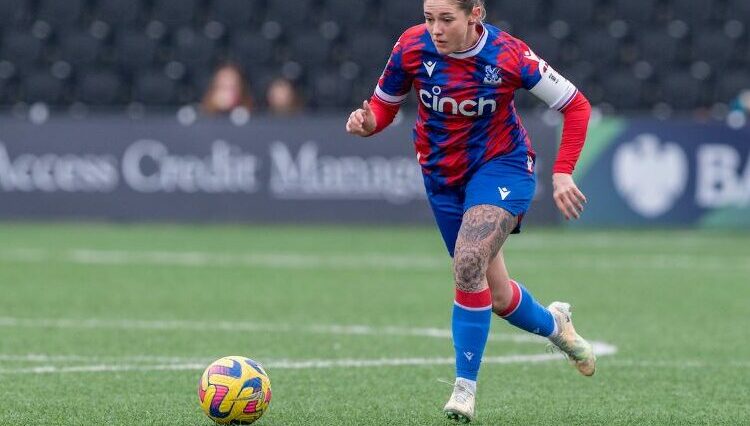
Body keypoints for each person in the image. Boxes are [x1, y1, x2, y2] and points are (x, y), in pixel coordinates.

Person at [345, 0, 595, 422]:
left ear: (474, 13)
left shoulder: (509, 55)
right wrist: (367, 122)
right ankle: (558, 326)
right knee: (496, 295)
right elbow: (383, 106)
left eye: (446, 19)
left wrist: (563, 171)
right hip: (442, 176)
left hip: (502, 166)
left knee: (468, 260)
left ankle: (464, 390)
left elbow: (576, 104)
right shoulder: (410, 46)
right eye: (429, 18)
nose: (435, 29)